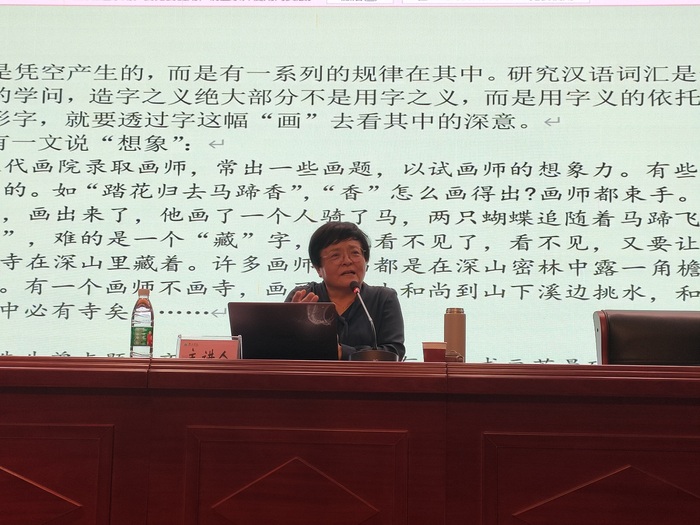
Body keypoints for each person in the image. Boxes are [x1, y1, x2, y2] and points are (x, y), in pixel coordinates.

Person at [286, 222, 405, 361]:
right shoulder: (302, 298)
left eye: (355, 253)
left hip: (366, 376)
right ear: (318, 268)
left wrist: (343, 352)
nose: (347, 261)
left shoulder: (383, 298)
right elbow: (279, 349)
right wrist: (292, 329)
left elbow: (394, 352)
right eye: (335, 255)